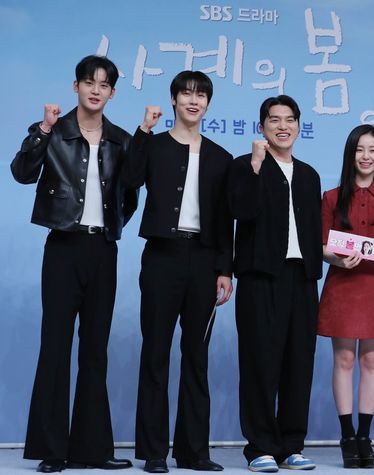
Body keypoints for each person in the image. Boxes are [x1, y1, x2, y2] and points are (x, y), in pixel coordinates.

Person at [10, 55, 137, 473]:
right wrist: (43, 129)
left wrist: (109, 227)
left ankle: (93, 449)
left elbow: (129, 198)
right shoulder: (55, 131)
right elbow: (21, 172)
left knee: (95, 350)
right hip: (63, 247)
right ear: (76, 86)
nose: (95, 90)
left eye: (104, 85)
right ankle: (52, 450)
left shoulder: (120, 140)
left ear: (112, 93)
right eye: (88, 82)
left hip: (102, 249)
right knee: (56, 346)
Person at [121, 71, 234, 474]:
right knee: (155, 353)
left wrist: (225, 269)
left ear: (208, 104)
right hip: (162, 257)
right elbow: (129, 180)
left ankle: (194, 451)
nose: (193, 101)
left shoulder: (221, 157)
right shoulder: (153, 145)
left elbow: (224, 219)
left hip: (203, 260)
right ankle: (154, 452)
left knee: (196, 357)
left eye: (201, 95)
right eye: (186, 94)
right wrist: (142, 131)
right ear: (173, 100)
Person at [228, 95, 322, 472]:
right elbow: (241, 211)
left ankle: (292, 445)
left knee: (299, 363)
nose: (283, 126)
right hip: (260, 276)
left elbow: (314, 231)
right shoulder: (244, 165)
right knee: (259, 362)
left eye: (289, 120)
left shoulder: (310, 175)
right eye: (274, 120)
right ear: (262, 126)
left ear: (298, 125)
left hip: (303, 278)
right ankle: (260, 447)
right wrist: (255, 165)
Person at [317, 125, 374, 469]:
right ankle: (347, 435)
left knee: (371, 361)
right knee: (343, 360)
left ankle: (365, 436)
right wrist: (337, 259)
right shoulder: (332, 197)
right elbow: (321, 246)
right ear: (350, 154)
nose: (365, 156)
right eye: (359, 149)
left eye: (372, 150)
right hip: (343, 283)